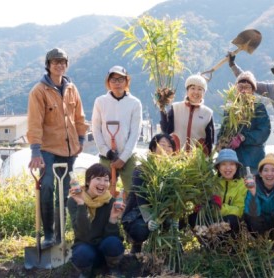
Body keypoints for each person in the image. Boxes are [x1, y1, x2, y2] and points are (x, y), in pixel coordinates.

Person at [27, 47, 88, 248]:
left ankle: (61, 234)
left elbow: (79, 116)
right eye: (55, 62)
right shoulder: (39, 91)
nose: (59, 65)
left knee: (63, 191)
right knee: (47, 188)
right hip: (47, 148)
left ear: (66, 65)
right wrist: (35, 151)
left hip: (69, 149)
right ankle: (48, 235)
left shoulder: (72, 88)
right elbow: (35, 122)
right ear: (48, 65)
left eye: (63, 62)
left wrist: (81, 139)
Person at [122, 133, 177, 254]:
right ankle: (136, 244)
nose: (166, 149)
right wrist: (149, 219)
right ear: (153, 148)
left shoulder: (174, 172)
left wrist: (174, 217)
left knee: (176, 222)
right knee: (141, 229)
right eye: (162, 145)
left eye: (169, 146)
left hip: (163, 213)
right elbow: (141, 198)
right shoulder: (141, 170)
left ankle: (169, 246)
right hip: (139, 214)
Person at [67, 163, 125, 277]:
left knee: (113, 243)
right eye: (98, 179)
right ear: (88, 181)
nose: (102, 183)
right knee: (82, 253)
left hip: (105, 251)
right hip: (86, 247)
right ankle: (86, 272)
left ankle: (113, 268)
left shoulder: (111, 202)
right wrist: (81, 204)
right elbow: (81, 233)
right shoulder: (74, 201)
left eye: (106, 180)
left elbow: (112, 237)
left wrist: (113, 218)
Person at [92, 65, 142, 194]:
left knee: (133, 193)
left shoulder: (134, 103)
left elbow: (135, 133)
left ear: (126, 81)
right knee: (103, 194)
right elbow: (96, 129)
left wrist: (123, 157)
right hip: (106, 156)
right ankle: (107, 215)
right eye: (113, 80)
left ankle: (128, 214)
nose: (117, 83)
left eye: (120, 79)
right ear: (108, 82)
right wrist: (107, 152)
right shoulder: (100, 102)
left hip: (128, 156)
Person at [217, 71, 271, 174]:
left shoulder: (258, 108)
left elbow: (264, 132)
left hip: (252, 161)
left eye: (247, 87)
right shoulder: (230, 109)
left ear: (253, 90)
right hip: (232, 162)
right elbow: (223, 130)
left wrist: (243, 137)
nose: (243, 90)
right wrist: (221, 142)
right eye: (240, 87)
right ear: (235, 89)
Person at [243, 153, 274, 253]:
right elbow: (250, 213)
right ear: (260, 174)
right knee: (252, 216)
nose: (269, 174)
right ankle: (261, 244)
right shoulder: (253, 186)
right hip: (259, 226)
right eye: (265, 170)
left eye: (273, 170)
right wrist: (253, 193)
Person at [160, 74, 214, 154]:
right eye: (192, 88)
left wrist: (208, 159)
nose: (196, 92)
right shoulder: (176, 108)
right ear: (187, 91)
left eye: (200, 89)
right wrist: (162, 108)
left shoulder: (207, 113)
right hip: (176, 157)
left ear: (204, 93)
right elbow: (166, 130)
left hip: (197, 160)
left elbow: (210, 140)